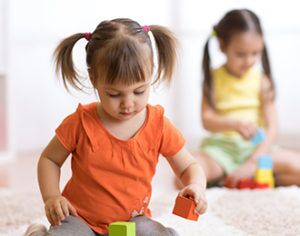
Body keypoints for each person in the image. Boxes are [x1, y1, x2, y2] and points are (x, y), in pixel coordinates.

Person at [24, 18, 207, 236]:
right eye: (114, 94)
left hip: (133, 221)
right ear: (94, 78)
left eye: (139, 91)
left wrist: (196, 186)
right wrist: (52, 197)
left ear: (151, 74)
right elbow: (49, 160)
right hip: (80, 220)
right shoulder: (81, 122)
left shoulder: (158, 124)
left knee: (148, 231)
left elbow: (188, 166)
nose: (128, 103)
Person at [196, 9, 300, 187]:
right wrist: (234, 124)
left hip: (257, 150)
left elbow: (272, 127)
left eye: (255, 53)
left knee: (295, 164)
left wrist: (253, 161)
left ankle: (253, 175)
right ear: (222, 46)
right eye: (241, 54)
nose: (249, 60)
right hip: (221, 151)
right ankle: (234, 176)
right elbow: (207, 120)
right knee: (188, 173)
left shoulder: (262, 81)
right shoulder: (212, 79)